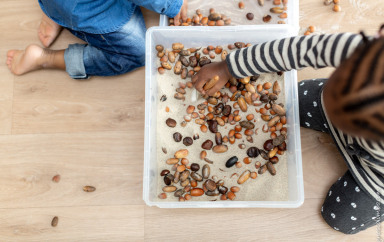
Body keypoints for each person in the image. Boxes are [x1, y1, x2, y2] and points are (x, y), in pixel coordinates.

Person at [192, 25, 384, 234]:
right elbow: (297, 49)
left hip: (377, 174)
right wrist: (227, 68)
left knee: (340, 219)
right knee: (292, 100)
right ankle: (334, 110)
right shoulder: (366, 51)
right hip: (357, 129)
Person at [6, 0, 188, 79]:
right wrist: (172, 4)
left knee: (65, 7)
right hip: (93, 12)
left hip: (64, 4)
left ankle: (55, 15)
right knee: (139, 51)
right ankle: (45, 58)